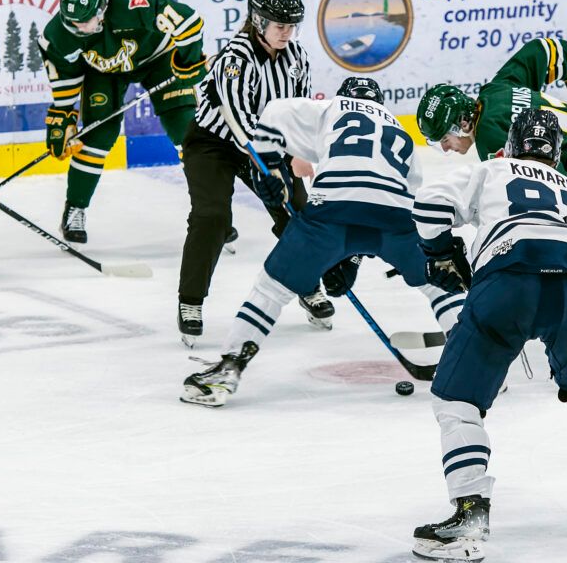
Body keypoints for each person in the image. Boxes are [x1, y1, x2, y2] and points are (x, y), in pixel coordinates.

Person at [410, 108, 567, 562]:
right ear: (556, 152)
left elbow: (429, 203)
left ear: (511, 144)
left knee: (457, 402)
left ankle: (471, 509)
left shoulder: (491, 169)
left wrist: (441, 250)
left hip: (507, 281)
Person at [180, 76, 467, 407]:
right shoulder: (398, 131)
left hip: (334, 206)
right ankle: (471, 365)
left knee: (272, 288)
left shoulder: (330, 108)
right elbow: (394, 200)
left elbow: (274, 112)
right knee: (437, 284)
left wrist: (269, 171)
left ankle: (228, 369)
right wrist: (354, 257)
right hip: (397, 216)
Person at [416, 37, 567, 388]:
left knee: (563, 245)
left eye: (443, 139)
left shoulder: (493, 139)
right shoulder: (498, 88)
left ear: (460, 124)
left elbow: (527, 208)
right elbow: (545, 49)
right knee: (555, 249)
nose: (445, 148)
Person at [177, 0, 335, 346]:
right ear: (259, 20)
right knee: (212, 217)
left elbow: (302, 112)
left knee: (297, 211)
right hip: (214, 144)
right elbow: (238, 119)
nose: (287, 33)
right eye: (281, 25)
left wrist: (297, 152)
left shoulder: (297, 59)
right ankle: (191, 300)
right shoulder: (235, 58)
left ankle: (308, 283)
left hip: (266, 142)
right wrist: (272, 164)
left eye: (292, 25)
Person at [38, 0, 205, 245]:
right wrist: (63, 116)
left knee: (185, 129)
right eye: (71, 21)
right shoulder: (58, 34)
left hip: (157, 56)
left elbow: (188, 21)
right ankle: (75, 208)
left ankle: (209, 210)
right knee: (97, 135)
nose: (77, 28)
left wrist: (188, 62)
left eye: (84, 21)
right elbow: (66, 75)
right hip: (105, 72)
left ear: (102, 8)